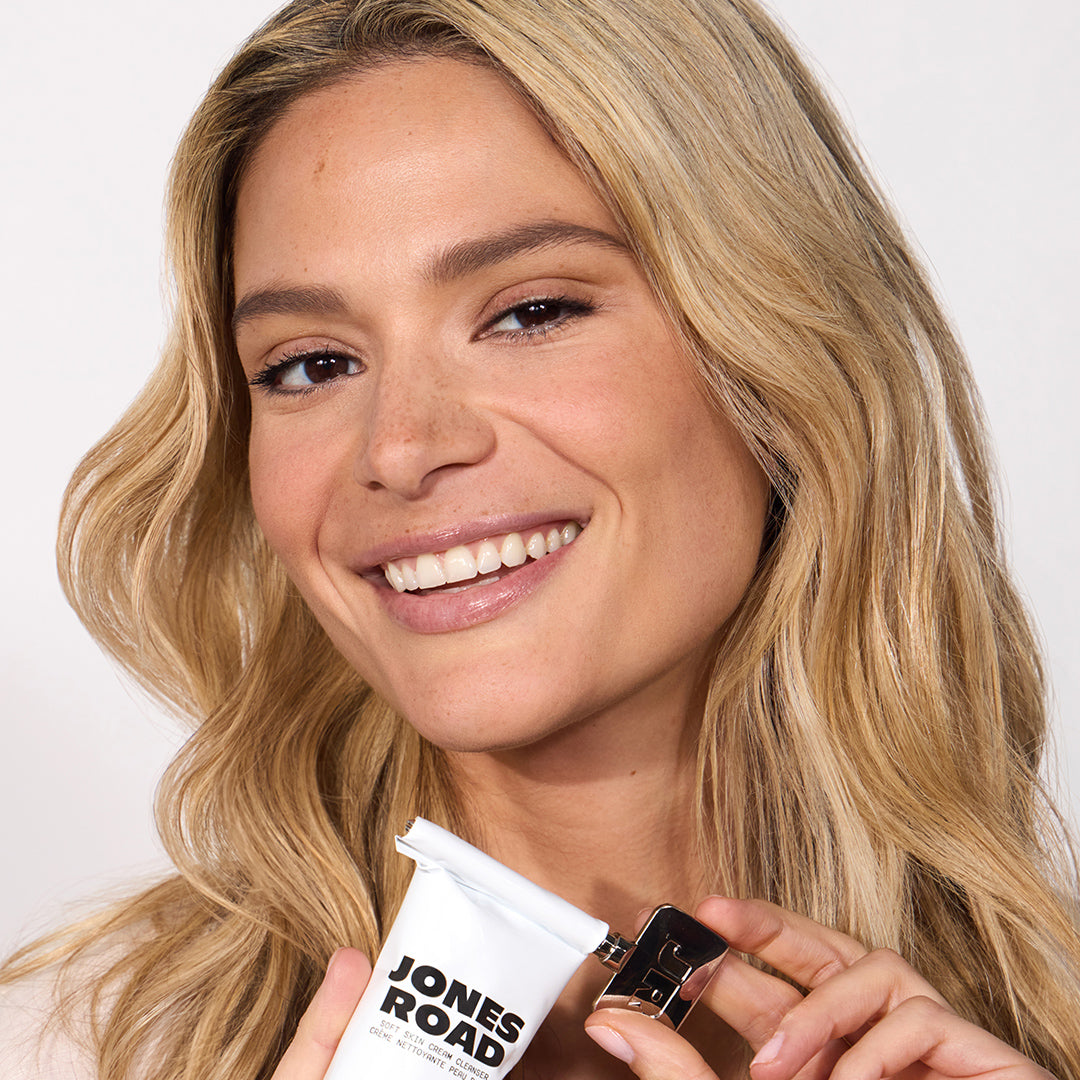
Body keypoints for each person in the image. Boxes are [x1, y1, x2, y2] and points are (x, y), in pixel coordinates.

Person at [2, 0, 1078, 1076]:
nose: (401, 447)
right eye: (312, 364)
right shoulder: (63, 1046)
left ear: (780, 357)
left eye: (532, 313)